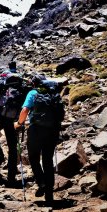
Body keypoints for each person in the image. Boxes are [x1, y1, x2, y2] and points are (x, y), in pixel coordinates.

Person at [14, 75, 63, 204]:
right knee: (47, 160)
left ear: (34, 84)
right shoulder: (53, 93)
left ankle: (41, 183)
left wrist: (19, 123)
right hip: (52, 130)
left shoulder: (33, 93)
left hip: (36, 130)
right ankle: (49, 192)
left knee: (34, 157)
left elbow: (25, 110)